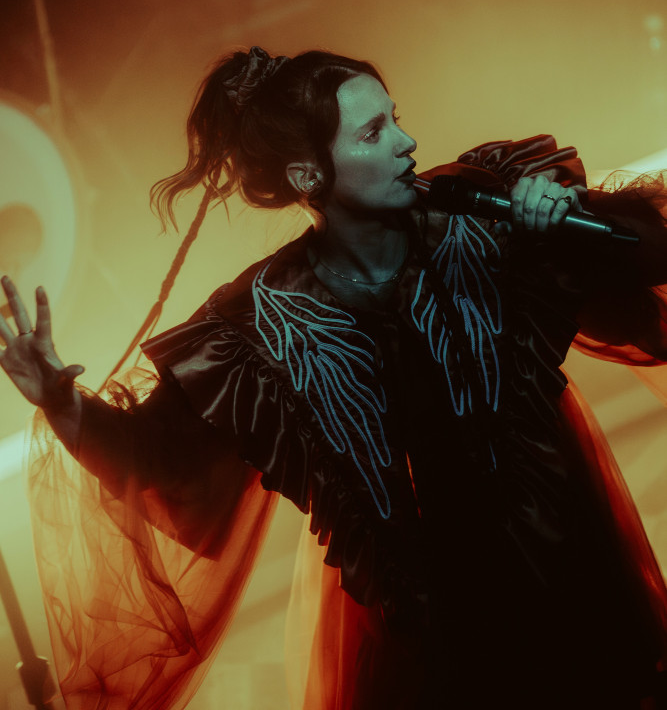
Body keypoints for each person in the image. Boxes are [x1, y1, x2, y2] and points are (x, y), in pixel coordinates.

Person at [1, 46, 667, 710]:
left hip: (568, 569)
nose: (406, 142)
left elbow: (650, 252)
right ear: (307, 174)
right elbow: (160, 462)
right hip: (432, 633)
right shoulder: (259, 320)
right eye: (373, 133)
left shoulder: (477, 206)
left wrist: (568, 222)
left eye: (395, 118)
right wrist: (62, 404)